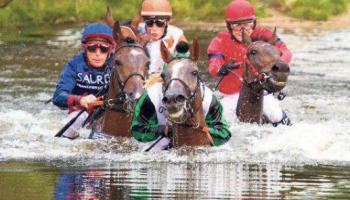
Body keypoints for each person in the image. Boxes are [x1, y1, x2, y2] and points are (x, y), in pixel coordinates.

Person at [207, 0, 293, 126]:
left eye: (247, 24)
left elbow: (286, 52)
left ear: (254, 23)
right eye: (236, 25)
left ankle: (287, 127)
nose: (242, 30)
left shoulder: (265, 34)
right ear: (229, 26)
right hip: (232, 95)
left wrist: (277, 64)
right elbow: (213, 62)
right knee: (222, 119)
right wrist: (219, 69)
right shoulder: (220, 39)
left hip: (262, 92)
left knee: (274, 114)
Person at [52, 22, 115, 139]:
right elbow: (58, 97)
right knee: (77, 118)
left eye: (104, 48)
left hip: (111, 114)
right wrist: (80, 100)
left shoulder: (118, 64)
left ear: (110, 50)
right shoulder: (73, 65)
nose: (97, 54)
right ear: (85, 48)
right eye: (92, 48)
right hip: (82, 113)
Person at [138, 0, 188, 74]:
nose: (154, 28)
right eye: (149, 23)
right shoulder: (136, 32)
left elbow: (188, 61)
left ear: (167, 22)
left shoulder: (176, 34)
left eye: (159, 23)